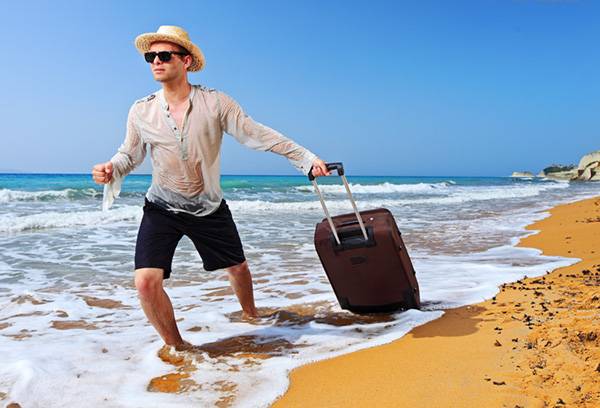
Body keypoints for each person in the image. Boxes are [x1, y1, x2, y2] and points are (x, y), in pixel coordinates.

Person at [91, 25, 329, 350]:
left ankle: (250, 314)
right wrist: (111, 168)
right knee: (146, 283)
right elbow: (129, 154)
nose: (155, 62)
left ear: (186, 61)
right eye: (150, 56)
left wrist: (305, 158)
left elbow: (256, 133)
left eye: (164, 55)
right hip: (161, 207)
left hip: (209, 207)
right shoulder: (141, 110)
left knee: (238, 268)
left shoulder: (216, 103)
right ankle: (178, 347)